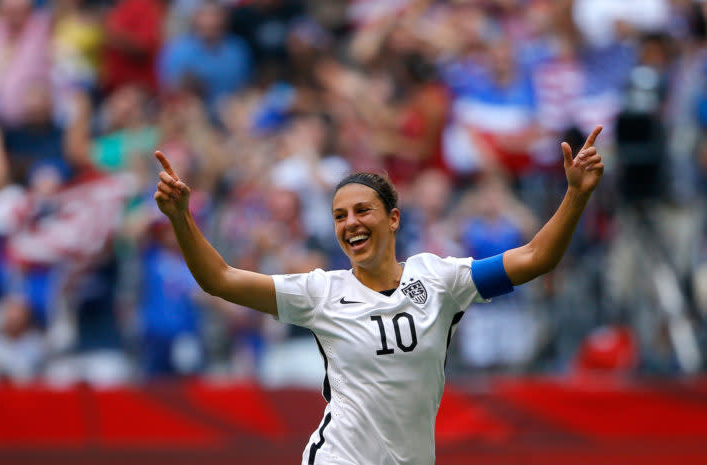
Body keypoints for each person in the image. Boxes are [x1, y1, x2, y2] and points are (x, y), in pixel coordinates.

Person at [153, 125, 605, 465]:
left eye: (361, 210)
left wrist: (576, 196)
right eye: (339, 216)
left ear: (392, 219)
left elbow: (535, 257)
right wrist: (180, 218)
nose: (349, 223)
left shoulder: (439, 278)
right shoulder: (320, 292)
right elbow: (220, 278)